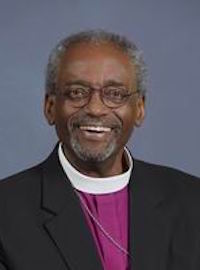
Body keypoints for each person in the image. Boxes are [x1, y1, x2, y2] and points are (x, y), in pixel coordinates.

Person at [0, 30, 200, 270]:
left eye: (115, 94)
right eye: (77, 92)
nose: (95, 109)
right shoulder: (6, 211)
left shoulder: (192, 200)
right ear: (50, 106)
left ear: (139, 108)